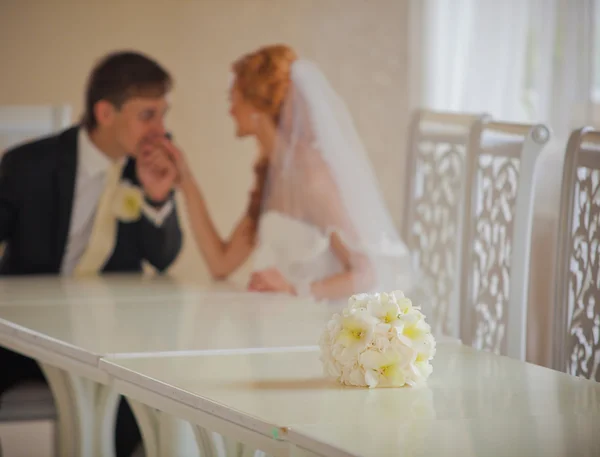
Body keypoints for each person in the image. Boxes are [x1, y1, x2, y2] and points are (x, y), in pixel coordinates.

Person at [0, 50, 183, 456]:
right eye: (148, 115)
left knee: (148, 403)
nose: (160, 130)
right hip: (24, 336)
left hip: (110, 341)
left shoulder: (148, 165)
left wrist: (157, 197)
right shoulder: (28, 164)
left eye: (163, 115)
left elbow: (165, 258)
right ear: (104, 112)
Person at [158, 44, 418, 302]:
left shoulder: (310, 175)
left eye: (233, 98)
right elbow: (221, 263)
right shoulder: (271, 174)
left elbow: (367, 272)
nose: (230, 110)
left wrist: (295, 289)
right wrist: (186, 181)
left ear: (256, 108)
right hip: (275, 325)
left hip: (314, 327)